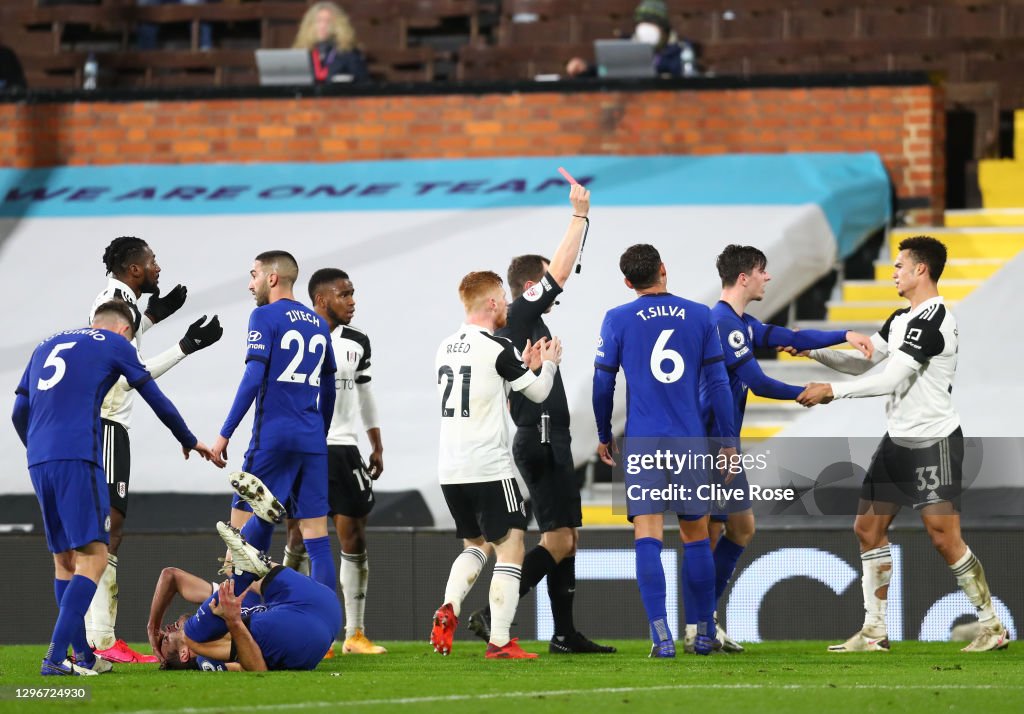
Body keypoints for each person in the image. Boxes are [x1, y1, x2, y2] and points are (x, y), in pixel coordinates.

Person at [796, 236, 1009, 653]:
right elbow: (866, 362)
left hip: (934, 442)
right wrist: (815, 353)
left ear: (920, 271)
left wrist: (831, 393)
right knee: (867, 529)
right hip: (898, 442)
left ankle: (991, 625)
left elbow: (893, 380)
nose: (893, 272)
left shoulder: (936, 320)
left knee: (944, 537)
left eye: (899, 266)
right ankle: (874, 631)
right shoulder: (900, 318)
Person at [12, 300, 220, 676]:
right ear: (126, 330)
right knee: (94, 554)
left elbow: (17, 412)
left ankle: (84, 657)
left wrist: (40, 448)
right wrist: (189, 439)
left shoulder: (46, 343)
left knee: (65, 560)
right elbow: (154, 397)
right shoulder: (116, 344)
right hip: (77, 454)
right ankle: (56, 658)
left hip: (38, 457)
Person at [683, 244, 874, 653]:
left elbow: (793, 337)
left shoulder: (742, 323)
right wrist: (809, 393)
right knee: (716, 532)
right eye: (762, 271)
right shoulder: (722, 324)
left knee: (738, 527)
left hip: (722, 440)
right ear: (744, 278)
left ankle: (702, 621)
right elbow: (758, 381)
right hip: (713, 441)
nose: (768, 278)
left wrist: (846, 334)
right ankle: (698, 624)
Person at [464, 185, 613, 654]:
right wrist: (580, 217)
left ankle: (565, 633)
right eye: (546, 282)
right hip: (542, 438)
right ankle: (493, 615)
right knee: (560, 538)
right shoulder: (524, 315)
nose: (558, 287)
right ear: (530, 285)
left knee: (567, 535)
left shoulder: (524, 326)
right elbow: (562, 268)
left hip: (546, 437)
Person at [592, 243, 738, 657]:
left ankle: (661, 635)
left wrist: (604, 433)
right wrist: (727, 441)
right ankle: (705, 630)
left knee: (648, 534)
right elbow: (719, 384)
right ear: (662, 269)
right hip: (690, 438)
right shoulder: (700, 314)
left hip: (644, 439)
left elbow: (604, 384)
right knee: (696, 534)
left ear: (627, 282)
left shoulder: (617, 318)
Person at [86, 236, 223, 663]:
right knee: (108, 531)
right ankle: (102, 640)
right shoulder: (115, 303)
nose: (158, 269)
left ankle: (99, 638)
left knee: (106, 532)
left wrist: (153, 317)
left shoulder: (118, 301)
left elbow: (120, 347)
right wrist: (185, 347)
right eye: (152, 262)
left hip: (107, 425)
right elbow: (128, 375)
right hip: (107, 424)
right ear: (134, 269)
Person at [431, 271, 562, 659]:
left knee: (476, 543)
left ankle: (449, 606)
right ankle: (501, 641)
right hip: (488, 464)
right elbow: (538, 392)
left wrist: (519, 365)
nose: (506, 304)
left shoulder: (446, 345)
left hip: (450, 468)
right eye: (503, 298)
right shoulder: (496, 346)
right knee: (512, 544)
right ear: (491, 303)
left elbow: (485, 386)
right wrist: (548, 364)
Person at [211, 250, 338, 597]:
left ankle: (237, 619)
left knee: (238, 535)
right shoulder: (318, 324)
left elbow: (253, 377)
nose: (250, 284)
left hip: (273, 438)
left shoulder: (264, 316)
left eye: (253, 275)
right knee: (318, 540)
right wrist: (319, 433)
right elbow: (328, 389)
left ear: (272, 278)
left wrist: (224, 434)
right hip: (311, 441)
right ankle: (325, 632)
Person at [281, 268, 386, 656]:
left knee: (353, 536)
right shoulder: (296, 335)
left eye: (353, 293)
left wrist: (376, 442)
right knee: (298, 539)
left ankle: (354, 634)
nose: (352, 301)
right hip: (304, 446)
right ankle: (296, 626)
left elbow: (365, 392)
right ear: (322, 300)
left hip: (343, 447)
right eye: (345, 295)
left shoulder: (358, 341)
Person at [155, 522, 341, 671]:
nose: (167, 628)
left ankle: (264, 518)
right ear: (184, 655)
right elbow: (256, 667)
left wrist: (151, 626)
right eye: (166, 638)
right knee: (192, 634)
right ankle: (244, 571)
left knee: (230, 563)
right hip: (303, 637)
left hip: (326, 606)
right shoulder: (206, 657)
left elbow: (172, 576)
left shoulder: (216, 612)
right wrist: (233, 622)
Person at [566, 0, 698, 78]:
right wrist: (585, 69)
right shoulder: (627, 48)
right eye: (643, 23)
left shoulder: (681, 49)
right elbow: (608, 70)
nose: (646, 30)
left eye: (652, 24)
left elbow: (683, 75)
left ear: (663, 28)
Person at [293, 2, 369, 84]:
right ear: (310, 24)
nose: (323, 26)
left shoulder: (348, 52)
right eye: (318, 21)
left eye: (328, 22)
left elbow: (364, 83)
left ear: (338, 25)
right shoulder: (302, 52)